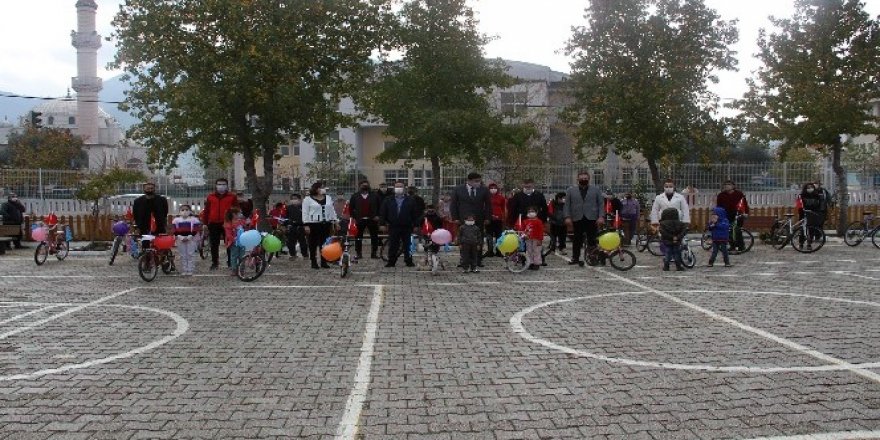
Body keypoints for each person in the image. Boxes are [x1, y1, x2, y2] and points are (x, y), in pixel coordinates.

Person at [562, 171, 605, 266]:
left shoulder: (596, 190)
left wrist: (601, 216)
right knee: (577, 239)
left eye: (585, 178)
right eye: (581, 178)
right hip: (577, 217)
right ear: (577, 179)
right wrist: (567, 217)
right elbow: (567, 205)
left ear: (589, 179)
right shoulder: (570, 190)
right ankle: (575, 258)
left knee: (592, 239)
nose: (583, 180)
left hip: (592, 218)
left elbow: (601, 204)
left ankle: (593, 257)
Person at [450, 172, 492, 267]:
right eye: (476, 181)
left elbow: (488, 205)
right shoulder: (458, 189)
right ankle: (464, 260)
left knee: (478, 239)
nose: (478, 183)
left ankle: (477, 260)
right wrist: (455, 217)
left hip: (479, 218)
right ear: (469, 181)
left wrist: (487, 217)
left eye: (479, 181)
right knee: (464, 239)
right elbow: (453, 205)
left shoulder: (484, 189)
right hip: (463, 218)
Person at [379, 181, 418, 268]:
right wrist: (382, 224)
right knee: (393, 244)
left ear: (404, 188)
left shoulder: (410, 200)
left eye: (401, 186)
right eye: (397, 186)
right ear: (393, 188)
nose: (399, 188)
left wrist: (416, 225)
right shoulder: (388, 199)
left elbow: (415, 214)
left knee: (408, 244)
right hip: (393, 226)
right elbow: (383, 212)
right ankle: (391, 262)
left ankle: (409, 261)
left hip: (407, 226)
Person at [201, 178, 238, 270]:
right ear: (216, 185)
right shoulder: (210, 196)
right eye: (219, 184)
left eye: (223, 184)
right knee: (214, 244)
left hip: (228, 223)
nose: (221, 186)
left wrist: (235, 222)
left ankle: (230, 262)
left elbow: (236, 210)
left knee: (229, 243)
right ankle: (215, 263)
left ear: (227, 186)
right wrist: (205, 223)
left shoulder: (232, 197)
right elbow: (207, 210)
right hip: (213, 223)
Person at [303, 181, 338, 269]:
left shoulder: (328, 198)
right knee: (313, 243)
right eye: (322, 187)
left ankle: (323, 261)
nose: (324, 189)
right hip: (313, 224)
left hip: (326, 223)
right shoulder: (307, 199)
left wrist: (335, 221)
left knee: (324, 243)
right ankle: (313, 262)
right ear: (316, 189)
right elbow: (305, 212)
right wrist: (306, 224)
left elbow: (332, 210)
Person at [349, 180, 382, 259]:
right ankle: (358, 253)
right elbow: (351, 208)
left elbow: (380, 207)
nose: (364, 187)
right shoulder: (355, 196)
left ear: (369, 186)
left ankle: (374, 253)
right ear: (360, 186)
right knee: (358, 237)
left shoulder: (375, 195)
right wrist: (354, 217)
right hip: (359, 220)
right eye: (363, 185)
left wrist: (378, 216)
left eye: (366, 185)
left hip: (372, 219)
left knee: (374, 237)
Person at [132, 182, 169, 251]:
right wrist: (137, 226)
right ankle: (147, 260)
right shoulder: (138, 201)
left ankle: (159, 260)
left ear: (155, 189)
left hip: (159, 226)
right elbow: (135, 214)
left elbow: (165, 212)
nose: (150, 190)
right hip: (144, 227)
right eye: (148, 188)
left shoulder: (162, 200)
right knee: (146, 246)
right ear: (144, 189)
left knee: (160, 246)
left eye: (152, 188)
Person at [715, 180, 749, 252]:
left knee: (737, 230)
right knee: (728, 231)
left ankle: (741, 246)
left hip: (738, 214)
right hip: (726, 215)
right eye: (725, 184)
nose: (727, 186)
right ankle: (732, 246)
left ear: (733, 186)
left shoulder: (739, 194)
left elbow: (744, 204)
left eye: (729, 184)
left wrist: (746, 213)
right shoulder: (721, 195)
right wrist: (717, 215)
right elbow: (719, 206)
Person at [172, 204, 201, 276]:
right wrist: (179, 236)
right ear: (179, 211)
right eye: (182, 210)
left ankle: (190, 269)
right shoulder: (176, 220)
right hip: (180, 239)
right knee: (183, 255)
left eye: (186, 210)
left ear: (190, 211)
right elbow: (174, 229)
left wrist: (189, 236)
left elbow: (196, 229)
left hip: (191, 239)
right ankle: (184, 269)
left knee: (190, 254)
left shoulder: (194, 220)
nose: (184, 211)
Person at [659, 207, 686, 271]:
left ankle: (666, 266)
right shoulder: (680, 223)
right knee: (677, 253)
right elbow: (683, 231)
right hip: (677, 241)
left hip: (667, 241)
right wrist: (677, 237)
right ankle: (678, 266)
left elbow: (663, 232)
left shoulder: (663, 223)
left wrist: (671, 237)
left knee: (668, 254)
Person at [224, 207, 247, 275]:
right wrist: (233, 239)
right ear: (232, 215)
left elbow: (246, 228)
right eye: (237, 213)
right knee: (234, 256)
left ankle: (241, 269)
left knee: (242, 256)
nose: (239, 214)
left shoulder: (242, 221)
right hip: (234, 243)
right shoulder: (228, 223)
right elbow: (228, 234)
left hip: (242, 242)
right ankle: (234, 269)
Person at [486, 183, 507, 257]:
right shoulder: (486, 197)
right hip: (489, 219)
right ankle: (490, 251)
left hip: (499, 219)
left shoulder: (501, 198)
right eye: (491, 188)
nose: (493, 189)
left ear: (497, 189)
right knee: (489, 236)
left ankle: (499, 251)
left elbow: (503, 209)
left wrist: (503, 218)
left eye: (494, 188)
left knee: (499, 236)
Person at [285, 194, 308, 260]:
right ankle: (293, 255)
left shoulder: (303, 207)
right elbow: (286, 217)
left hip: (301, 226)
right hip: (291, 227)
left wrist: (306, 225)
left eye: (295, 198)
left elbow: (306, 217)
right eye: (292, 199)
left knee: (303, 242)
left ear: (299, 199)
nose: (294, 200)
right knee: (291, 242)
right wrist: (287, 224)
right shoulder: (288, 208)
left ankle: (305, 255)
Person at [522, 206, 545, 270]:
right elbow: (523, 229)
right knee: (529, 251)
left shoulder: (539, 221)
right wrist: (524, 236)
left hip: (536, 239)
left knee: (536, 251)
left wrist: (540, 239)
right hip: (528, 238)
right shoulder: (525, 221)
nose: (531, 213)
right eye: (529, 211)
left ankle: (536, 264)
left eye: (532, 211)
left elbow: (541, 231)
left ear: (536, 212)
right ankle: (530, 263)